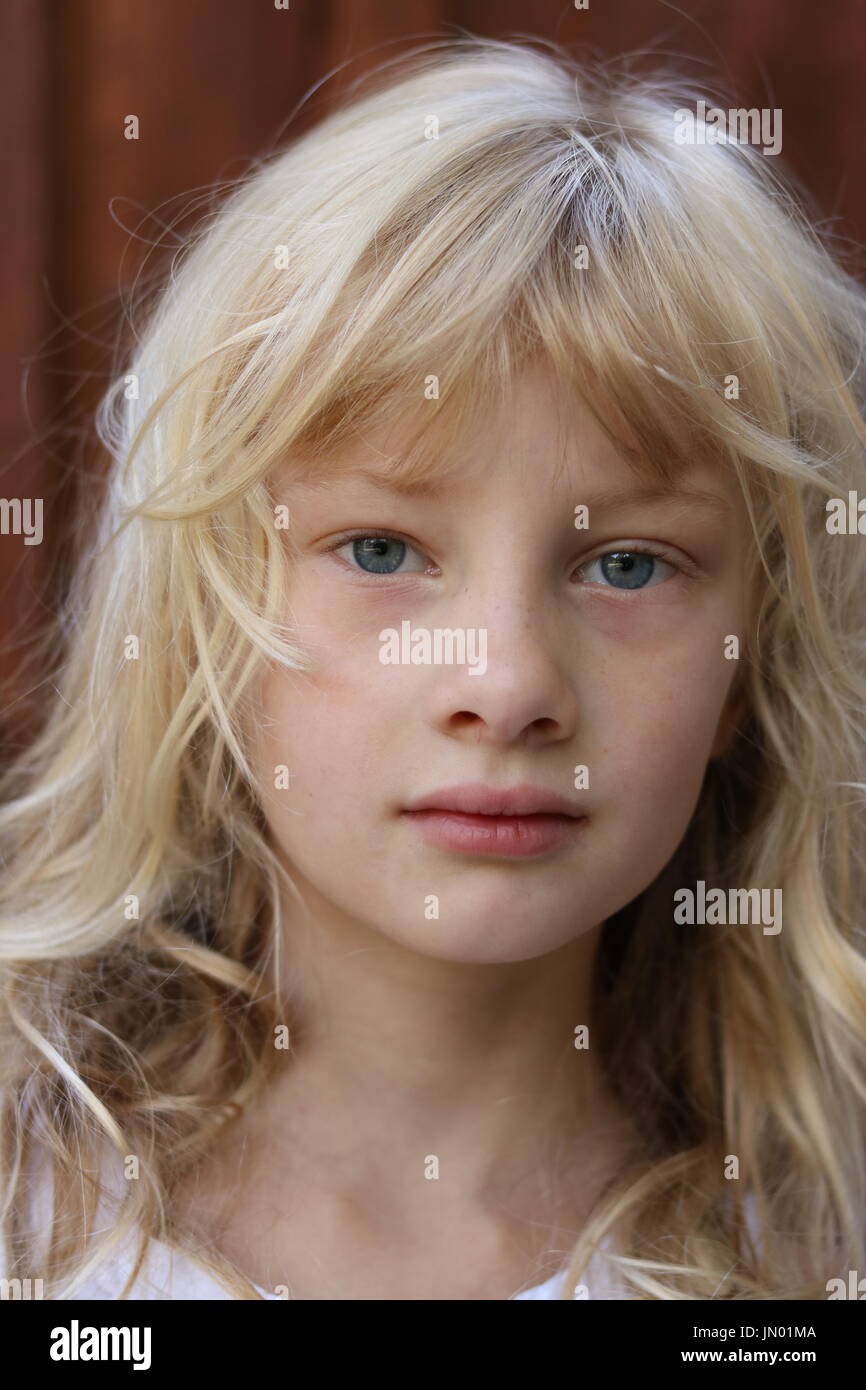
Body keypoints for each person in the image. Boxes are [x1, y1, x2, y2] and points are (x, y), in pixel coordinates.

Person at [1, 34, 864, 1301]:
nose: (507, 685)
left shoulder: (811, 1259)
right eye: (381, 547)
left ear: (750, 663)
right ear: (203, 612)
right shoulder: (34, 1215)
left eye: (627, 565)